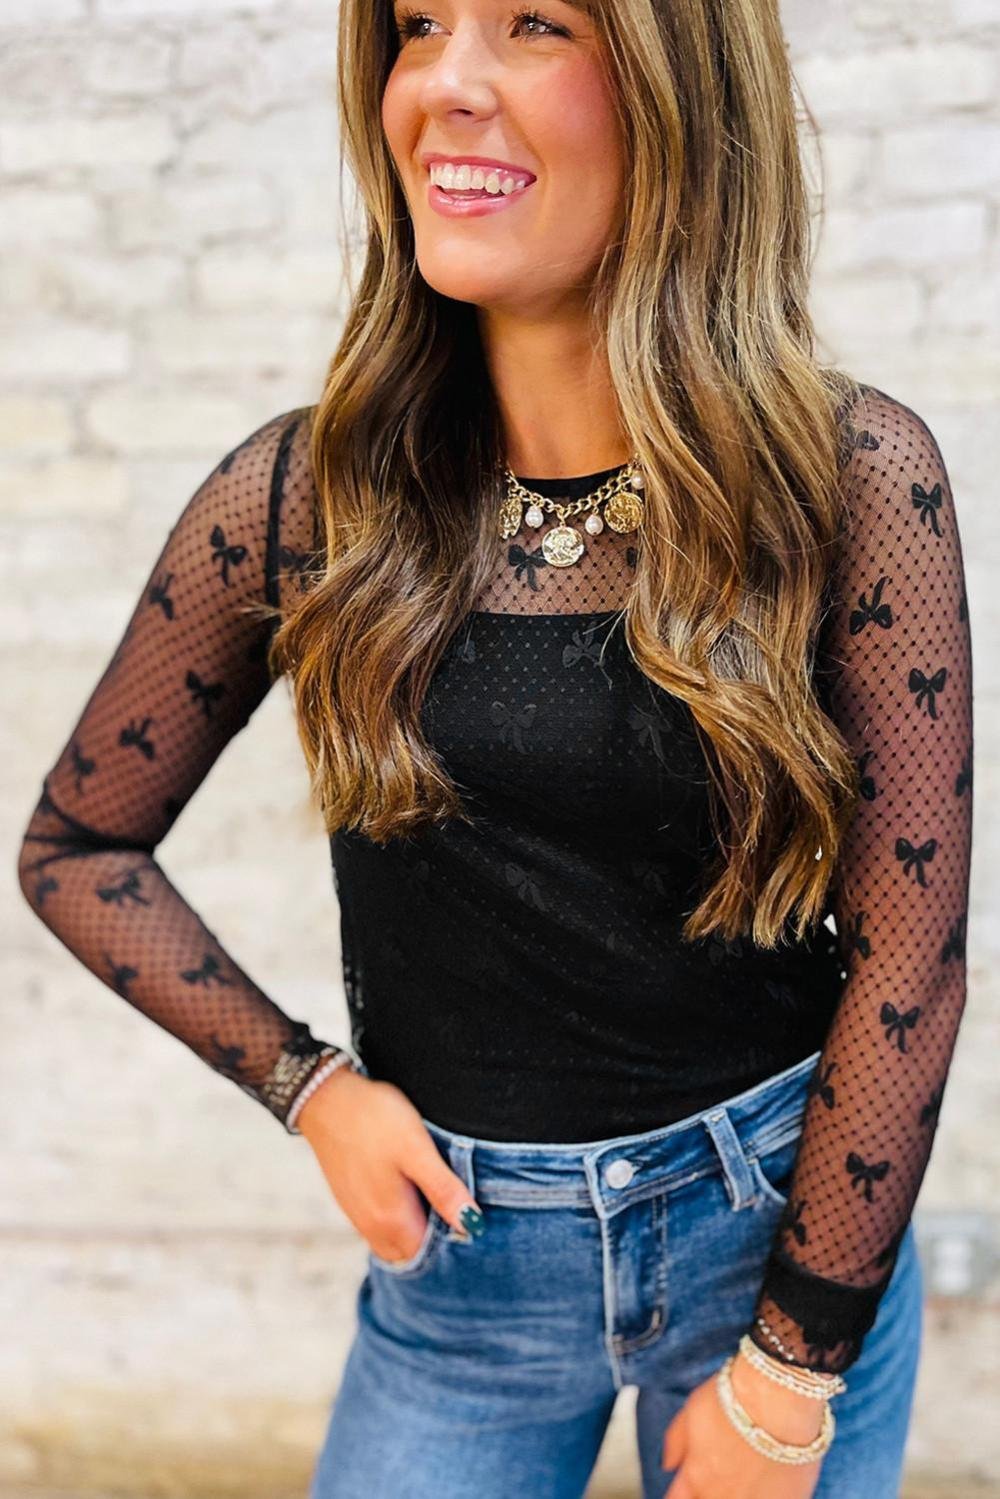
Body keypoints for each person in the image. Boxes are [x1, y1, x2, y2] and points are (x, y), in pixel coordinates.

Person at [17, 0, 974, 1495]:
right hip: (466, 1279)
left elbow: (910, 956)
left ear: (676, 88)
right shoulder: (307, 497)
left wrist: (790, 1375)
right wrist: (308, 1089)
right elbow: (78, 847)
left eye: (533, 22)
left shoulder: (847, 482)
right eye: (417, 25)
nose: (447, 84)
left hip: (782, 1248)